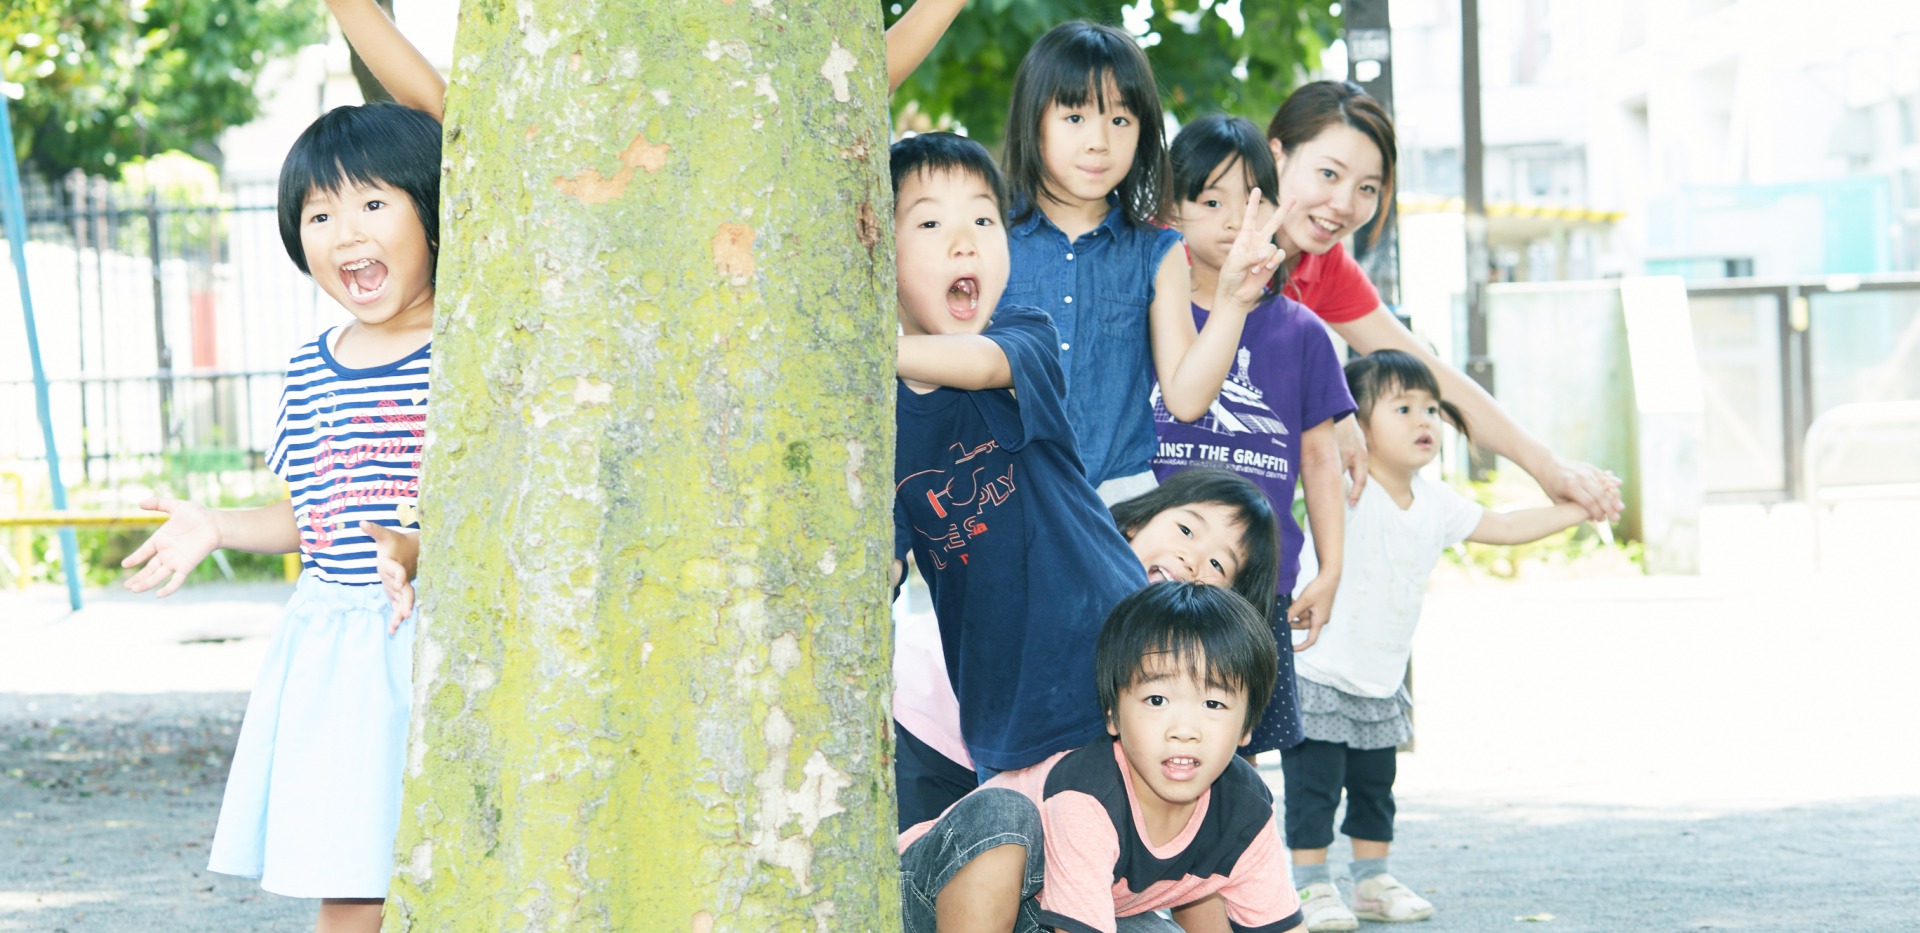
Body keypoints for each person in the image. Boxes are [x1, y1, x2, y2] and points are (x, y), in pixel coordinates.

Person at [888, 131, 1284, 830]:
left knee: (1170, 843)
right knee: (1034, 865)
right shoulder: (875, 427)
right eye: (929, 222)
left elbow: (978, 367)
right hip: (1002, 700)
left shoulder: (1022, 332)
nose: (965, 242)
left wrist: (864, 348)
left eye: (984, 219)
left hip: (1113, 650)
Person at [119, 101, 442, 933]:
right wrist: (221, 525)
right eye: (319, 213)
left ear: (435, 208)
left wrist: (413, 546)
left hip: (443, 629)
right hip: (343, 640)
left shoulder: (469, 340)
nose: (344, 231)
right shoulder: (311, 367)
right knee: (356, 871)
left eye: (374, 203)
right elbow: (315, 513)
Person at [1283, 350, 1589, 930]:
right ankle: (1312, 885)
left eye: (1431, 408)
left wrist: (1574, 510)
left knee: (1376, 788)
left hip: (1380, 676)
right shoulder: (1347, 486)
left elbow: (1501, 527)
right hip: (1319, 670)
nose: (1425, 420)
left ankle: (1372, 880)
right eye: (1402, 407)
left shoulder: (1437, 502)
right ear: (1356, 423)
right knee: (1314, 788)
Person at [1258, 80, 1621, 521]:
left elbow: (1431, 376)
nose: (1343, 204)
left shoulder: (1327, 268)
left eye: (1368, 188)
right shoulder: (1204, 233)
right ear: (1277, 154)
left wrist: (1547, 466)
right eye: (1329, 174)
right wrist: (1331, 409)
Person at [898, 582, 1305, 933]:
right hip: (924, 899)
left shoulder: (1245, 809)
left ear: (1247, 725)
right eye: (1157, 699)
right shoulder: (1090, 791)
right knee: (1003, 813)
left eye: (1214, 703)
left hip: (1043, 916)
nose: (1185, 729)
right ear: (1112, 713)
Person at [1001, 21, 1289, 502]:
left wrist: (1235, 301)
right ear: (1034, 121)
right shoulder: (990, 234)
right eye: (1075, 118)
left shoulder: (1156, 251)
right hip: (1002, 497)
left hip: (1116, 503)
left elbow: (1186, 397)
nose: (1099, 142)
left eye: (1120, 120)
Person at [1153, 113, 1355, 761]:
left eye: (1251, 202)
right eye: (1210, 201)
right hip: (1155, 576)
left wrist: (1331, 568)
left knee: (1235, 762)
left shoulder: (1301, 333)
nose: (1233, 220)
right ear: (1171, 208)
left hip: (1253, 584)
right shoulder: (1151, 311)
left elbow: (1321, 460)